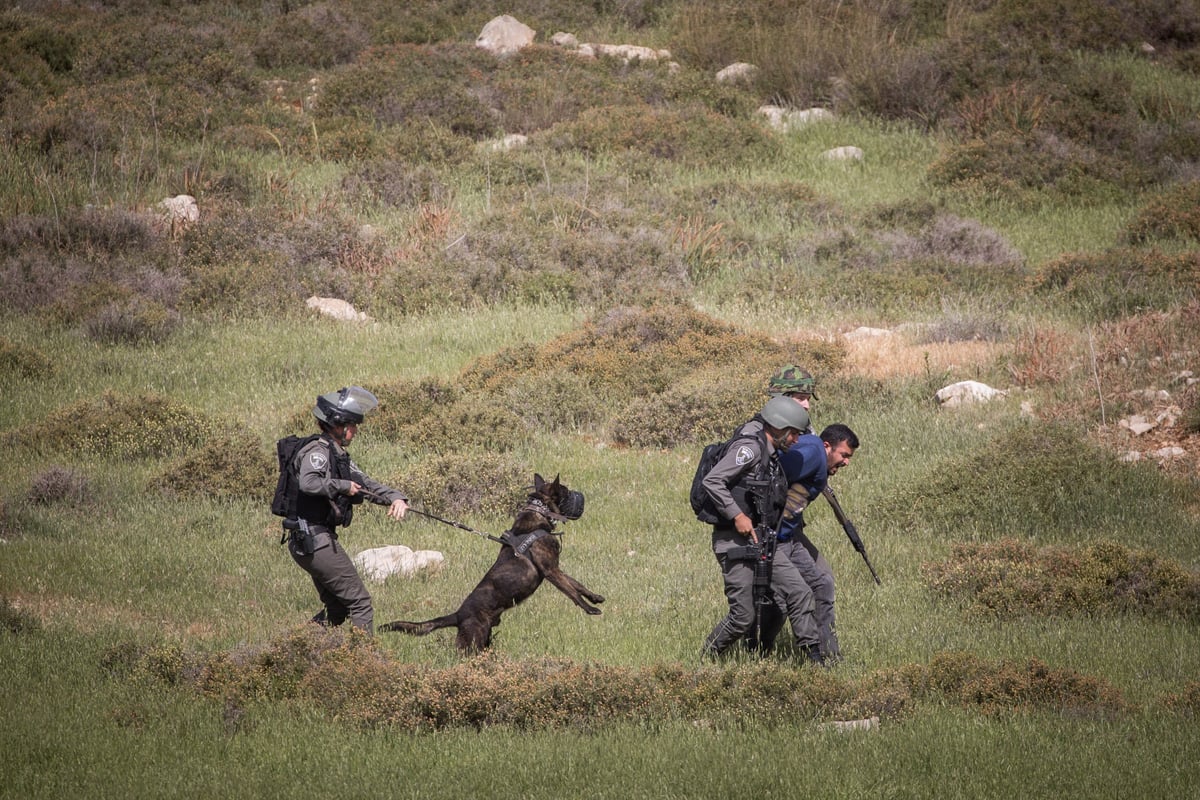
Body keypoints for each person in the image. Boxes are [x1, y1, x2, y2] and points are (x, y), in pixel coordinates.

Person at [699, 395, 825, 664]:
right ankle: (707, 658)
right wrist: (737, 516)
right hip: (735, 542)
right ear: (778, 428)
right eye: (793, 435)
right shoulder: (750, 449)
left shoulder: (773, 453)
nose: (795, 441)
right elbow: (713, 481)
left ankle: (815, 660)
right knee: (742, 617)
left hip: (762, 540)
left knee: (799, 592)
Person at [287, 385, 409, 634]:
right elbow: (308, 483)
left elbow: (366, 485)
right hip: (313, 539)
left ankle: (298, 646)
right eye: (352, 425)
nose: (355, 430)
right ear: (336, 424)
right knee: (360, 603)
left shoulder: (338, 455)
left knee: (337, 609)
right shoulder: (317, 453)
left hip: (313, 539)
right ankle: (366, 664)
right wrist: (342, 486)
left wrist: (397, 498)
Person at [761, 423, 860, 662]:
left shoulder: (815, 452)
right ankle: (762, 650)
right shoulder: (812, 455)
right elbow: (775, 474)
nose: (846, 462)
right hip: (771, 538)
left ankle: (829, 654)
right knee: (789, 598)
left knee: (821, 584)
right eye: (844, 455)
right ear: (827, 446)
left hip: (787, 536)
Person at [766, 364, 818, 433]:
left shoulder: (805, 426)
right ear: (782, 399)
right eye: (801, 398)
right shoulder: (758, 431)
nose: (807, 406)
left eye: (808, 399)